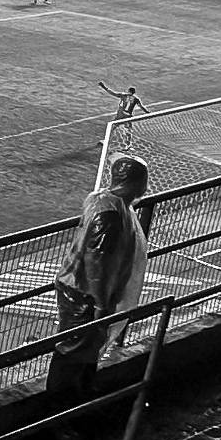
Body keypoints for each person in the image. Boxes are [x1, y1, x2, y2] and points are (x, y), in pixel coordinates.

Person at [47, 155, 151, 396]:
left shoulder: (104, 201)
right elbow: (97, 262)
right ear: (134, 182)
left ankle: (81, 394)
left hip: (84, 290)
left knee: (87, 347)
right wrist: (101, 302)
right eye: (143, 180)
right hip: (84, 294)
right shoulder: (110, 215)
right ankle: (60, 410)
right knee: (73, 349)